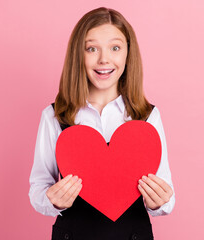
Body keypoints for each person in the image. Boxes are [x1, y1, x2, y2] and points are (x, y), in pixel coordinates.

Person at [28, 7, 175, 240]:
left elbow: (167, 195)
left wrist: (159, 202)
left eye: (115, 48)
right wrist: (53, 200)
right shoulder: (55, 115)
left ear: (128, 54)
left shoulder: (147, 117)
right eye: (91, 48)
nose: (104, 59)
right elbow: (38, 187)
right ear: (79, 54)